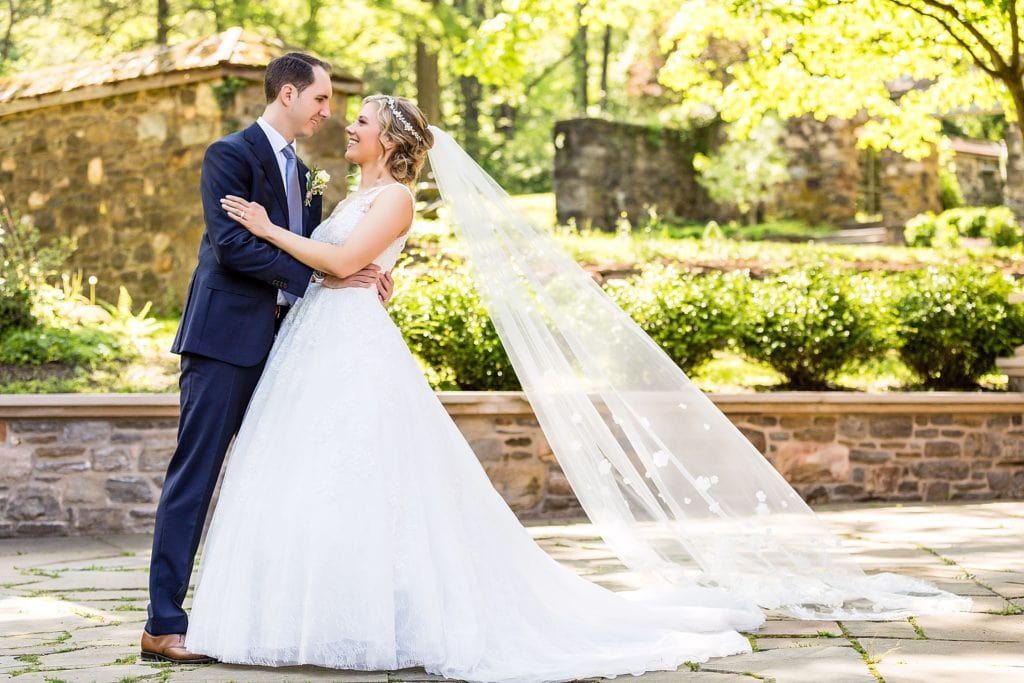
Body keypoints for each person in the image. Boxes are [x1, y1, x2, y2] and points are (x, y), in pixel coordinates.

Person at [182, 94, 762, 681]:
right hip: (315, 337)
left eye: (360, 121)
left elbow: (341, 261)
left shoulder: (397, 198)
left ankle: (372, 619)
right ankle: (299, 613)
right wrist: (333, 262)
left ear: (387, 140)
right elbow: (340, 264)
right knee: (309, 473)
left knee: (361, 472)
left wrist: (267, 228)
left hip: (351, 342)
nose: (346, 126)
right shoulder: (351, 194)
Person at [142, 53, 394, 664]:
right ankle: (163, 623)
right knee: (196, 476)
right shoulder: (228, 155)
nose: (328, 112)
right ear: (288, 94)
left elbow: (314, 249)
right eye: (321, 99)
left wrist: (364, 271)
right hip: (224, 341)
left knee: (276, 476)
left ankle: (257, 615)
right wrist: (323, 281)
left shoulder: (305, 173)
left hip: (287, 349)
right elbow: (231, 248)